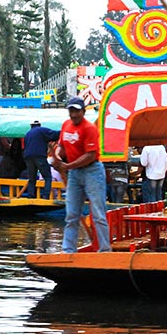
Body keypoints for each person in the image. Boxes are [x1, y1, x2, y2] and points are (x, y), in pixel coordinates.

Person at [52, 96, 111, 253]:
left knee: (98, 213)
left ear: (83, 112)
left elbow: (90, 155)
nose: (73, 115)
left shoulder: (89, 128)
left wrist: (67, 166)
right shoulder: (66, 125)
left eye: (77, 111)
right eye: (71, 111)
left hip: (91, 170)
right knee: (71, 213)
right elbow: (61, 146)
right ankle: (68, 250)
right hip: (74, 172)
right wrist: (57, 156)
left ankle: (105, 249)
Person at [24, 119, 60, 199]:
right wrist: (64, 131)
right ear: (39, 125)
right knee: (47, 176)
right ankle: (45, 196)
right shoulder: (41, 130)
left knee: (32, 178)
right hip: (39, 156)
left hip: (28, 157)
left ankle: (31, 196)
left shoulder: (27, 134)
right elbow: (54, 134)